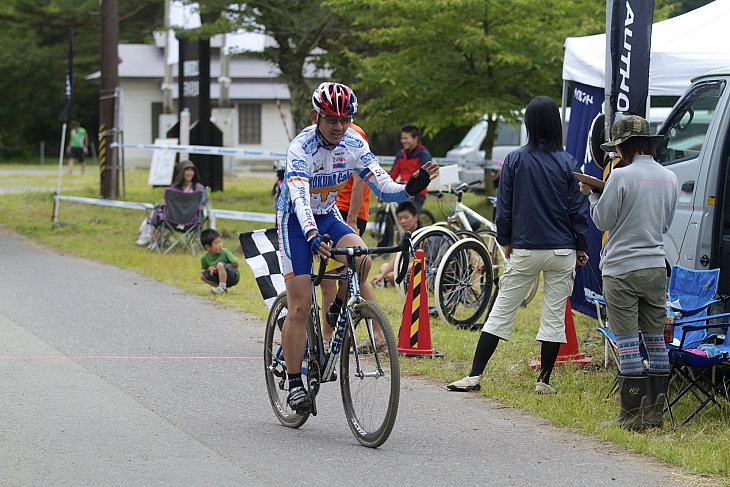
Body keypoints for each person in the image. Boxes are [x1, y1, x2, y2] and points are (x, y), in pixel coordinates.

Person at [277, 81, 438, 413]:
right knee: (300, 305)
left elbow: (382, 185)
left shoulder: (353, 143)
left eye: (345, 119)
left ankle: (337, 308)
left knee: (362, 259)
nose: (339, 126)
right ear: (315, 116)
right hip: (296, 220)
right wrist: (310, 235)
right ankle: (294, 381)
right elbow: (300, 199)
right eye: (331, 119)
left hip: (327, 215)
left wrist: (411, 187)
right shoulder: (301, 148)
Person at [447, 95, 589, 395]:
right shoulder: (568, 162)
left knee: (501, 312)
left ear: (528, 124)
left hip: (525, 248)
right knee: (553, 317)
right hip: (562, 249)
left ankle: (474, 375)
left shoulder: (514, 159)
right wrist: (580, 246)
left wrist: (506, 240)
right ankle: (543, 381)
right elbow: (577, 209)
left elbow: (505, 206)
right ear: (555, 123)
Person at [578, 115, 678, 430]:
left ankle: (630, 419)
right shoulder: (670, 178)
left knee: (628, 343)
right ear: (649, 144)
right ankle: (654, 416)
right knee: (655, 341)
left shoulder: (621, 176)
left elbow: (603, 221)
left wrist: (592, 193)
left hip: (621, 271)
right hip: (655, 269)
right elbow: (665, 225)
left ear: (623, 147)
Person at [320, 123, 372, 339]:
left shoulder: (353, 133)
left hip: (345, 210)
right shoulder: (320, 132)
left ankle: (328, 336)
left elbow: (361, 178)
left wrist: (352, 219)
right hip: (336, 207)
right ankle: (377, 333)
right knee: (352, 273)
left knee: (331, 276)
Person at [370, 200, 421, 288]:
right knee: (384, 267)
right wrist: (382, 275)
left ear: (415, 217)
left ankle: (395, 279)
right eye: (400, 218)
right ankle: (391, 279)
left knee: (408, 268)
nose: (403, 221)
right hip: (408, 268)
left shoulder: (424, 234)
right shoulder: (405, 235)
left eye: (406, 217)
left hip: (424, 269)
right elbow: (398, 256)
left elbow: (423, 263)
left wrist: (398, 273)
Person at [390, 124, 432, 213]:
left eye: (406, 138)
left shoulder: (423, 154)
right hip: (402, 189)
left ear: (415, 139)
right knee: (392, 213)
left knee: (411, 216)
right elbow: (393, 173)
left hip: (417, 192)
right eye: (402, 138)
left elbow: (423, 176)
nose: (403, 141)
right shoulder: (400, 154)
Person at [199, 228, 240, 295]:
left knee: (220, 264)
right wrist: (211, 268)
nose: (220, 245)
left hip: (233, 277)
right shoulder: (204, 258)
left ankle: (222, 288)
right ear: (207, 247)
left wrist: (221, 267)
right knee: (202, 276)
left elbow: (236, 264)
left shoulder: (225, 252)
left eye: (220, 242)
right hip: (218, 277)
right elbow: (206, 268)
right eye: (217, 243)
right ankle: (219, 288)